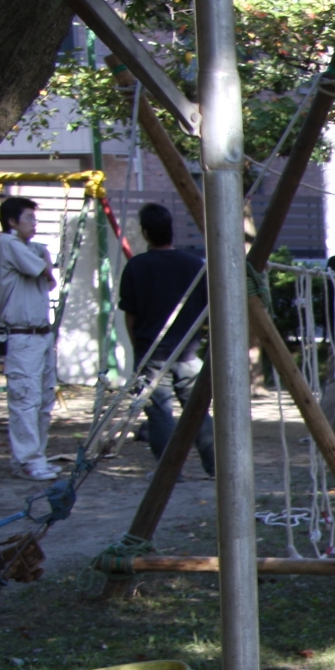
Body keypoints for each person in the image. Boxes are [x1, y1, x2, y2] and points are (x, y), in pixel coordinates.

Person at [119, 202, 213, 477]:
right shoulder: (195, 265)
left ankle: (168, 472)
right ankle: (214, 465)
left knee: (159, 412)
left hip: (152, 352)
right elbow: (207, 310)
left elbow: (130, 316)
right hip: (188, 351)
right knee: (197, 410)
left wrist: (137, 346)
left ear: (145, 233)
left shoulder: (137, 266)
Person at [0, 196, 60, 480]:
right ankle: (27, 460)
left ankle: (37, 456)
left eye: (35, 218)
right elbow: (43, 270)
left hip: (42, 334)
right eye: (29, 218)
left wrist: (46, 263)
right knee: (25, 399)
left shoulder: (32, 248)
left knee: (43, 399)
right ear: (12, 221)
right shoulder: (6, 243)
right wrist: (45, 263)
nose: (34, 223)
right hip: (22, 336)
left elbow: (50, 280)